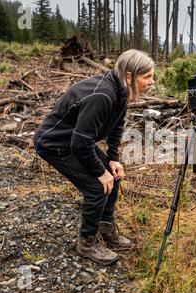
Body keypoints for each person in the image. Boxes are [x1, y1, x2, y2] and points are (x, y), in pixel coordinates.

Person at [33, 49, 155, 266]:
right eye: (147, 76)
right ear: (129, 76)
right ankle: (87, 243)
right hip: (55, 144)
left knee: (114, 176)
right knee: (97, 187)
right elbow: (80, 144)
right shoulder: (102, 95)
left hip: (76, 142)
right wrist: (99, 173)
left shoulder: (120, 90)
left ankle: (106, 228)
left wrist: (113, 158)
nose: (152, 82)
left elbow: (117, 124)